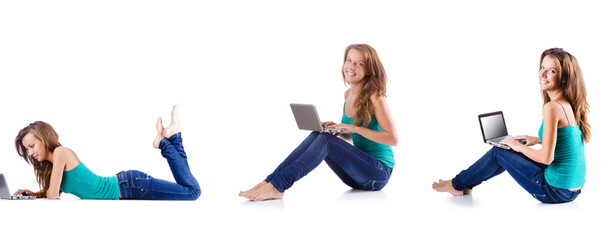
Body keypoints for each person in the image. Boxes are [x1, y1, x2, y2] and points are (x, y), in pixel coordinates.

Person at [240, 43, 399, 201]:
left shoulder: (375, 96)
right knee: (320, 133)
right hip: (357, 175)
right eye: (349, 60)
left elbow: (392, 138)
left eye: (359, 64)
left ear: (369, 70)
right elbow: (359, 137)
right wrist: (340, 130)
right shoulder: (348, 95)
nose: (351, 66)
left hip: (379, 173)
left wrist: (354, 128)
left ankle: (278, 186)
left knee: (327, 141)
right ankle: (270, 181)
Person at [433, 48, 589, 203]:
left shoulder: (552, 107)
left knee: (498, 152)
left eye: (551, 71)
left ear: (563, 78)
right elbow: (566, 139)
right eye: (542, 67)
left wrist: (518, 147)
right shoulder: (569, 104)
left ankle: (456, 184)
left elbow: (546, 158)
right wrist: (535, 139)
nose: (542, 74)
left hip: (553, 191)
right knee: (507, 148)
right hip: (572, 190)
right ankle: (465, 184)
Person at [13, 105, 201, 200]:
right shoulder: (56, 164)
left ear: (44, 140)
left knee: (193, 193)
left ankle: (164, 143)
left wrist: (43, 194)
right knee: (191, 191)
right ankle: (174, 136)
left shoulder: (61, 153)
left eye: (32, 146)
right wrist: (35, 193)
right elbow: (55, 191)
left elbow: (53, 195)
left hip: (131, 185)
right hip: (127, 185)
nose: (30, 153)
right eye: (26, 149)